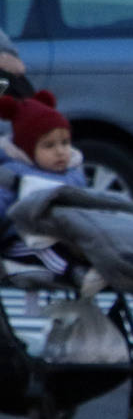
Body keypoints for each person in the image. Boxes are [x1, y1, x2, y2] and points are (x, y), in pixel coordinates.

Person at [0, 90, 98, 292]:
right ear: (27, 150)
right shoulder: (14, 175)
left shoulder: (73, 173)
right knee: (42, 248)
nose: (60, 151)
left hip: (66, 235)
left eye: (65, 143)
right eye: (49, 145)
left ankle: (93, 266)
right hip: (22, 239)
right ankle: (75, 272)